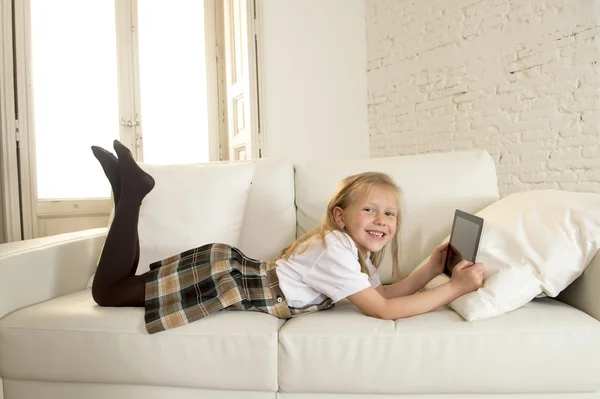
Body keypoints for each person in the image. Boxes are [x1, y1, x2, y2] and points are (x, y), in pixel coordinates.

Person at [91, 140, 484, 334]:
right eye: (369, 209)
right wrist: (453, 289)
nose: (381, 220)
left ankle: (127, 192)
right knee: (108, 292)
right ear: (339, 216)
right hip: (229, 280)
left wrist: (431, 267)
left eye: (390, 213)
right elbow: (381, 311)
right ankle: (132, 195)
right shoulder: (334, 249)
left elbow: (384, 295)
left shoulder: (352, 252)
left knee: (119, 287)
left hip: (233, 271)